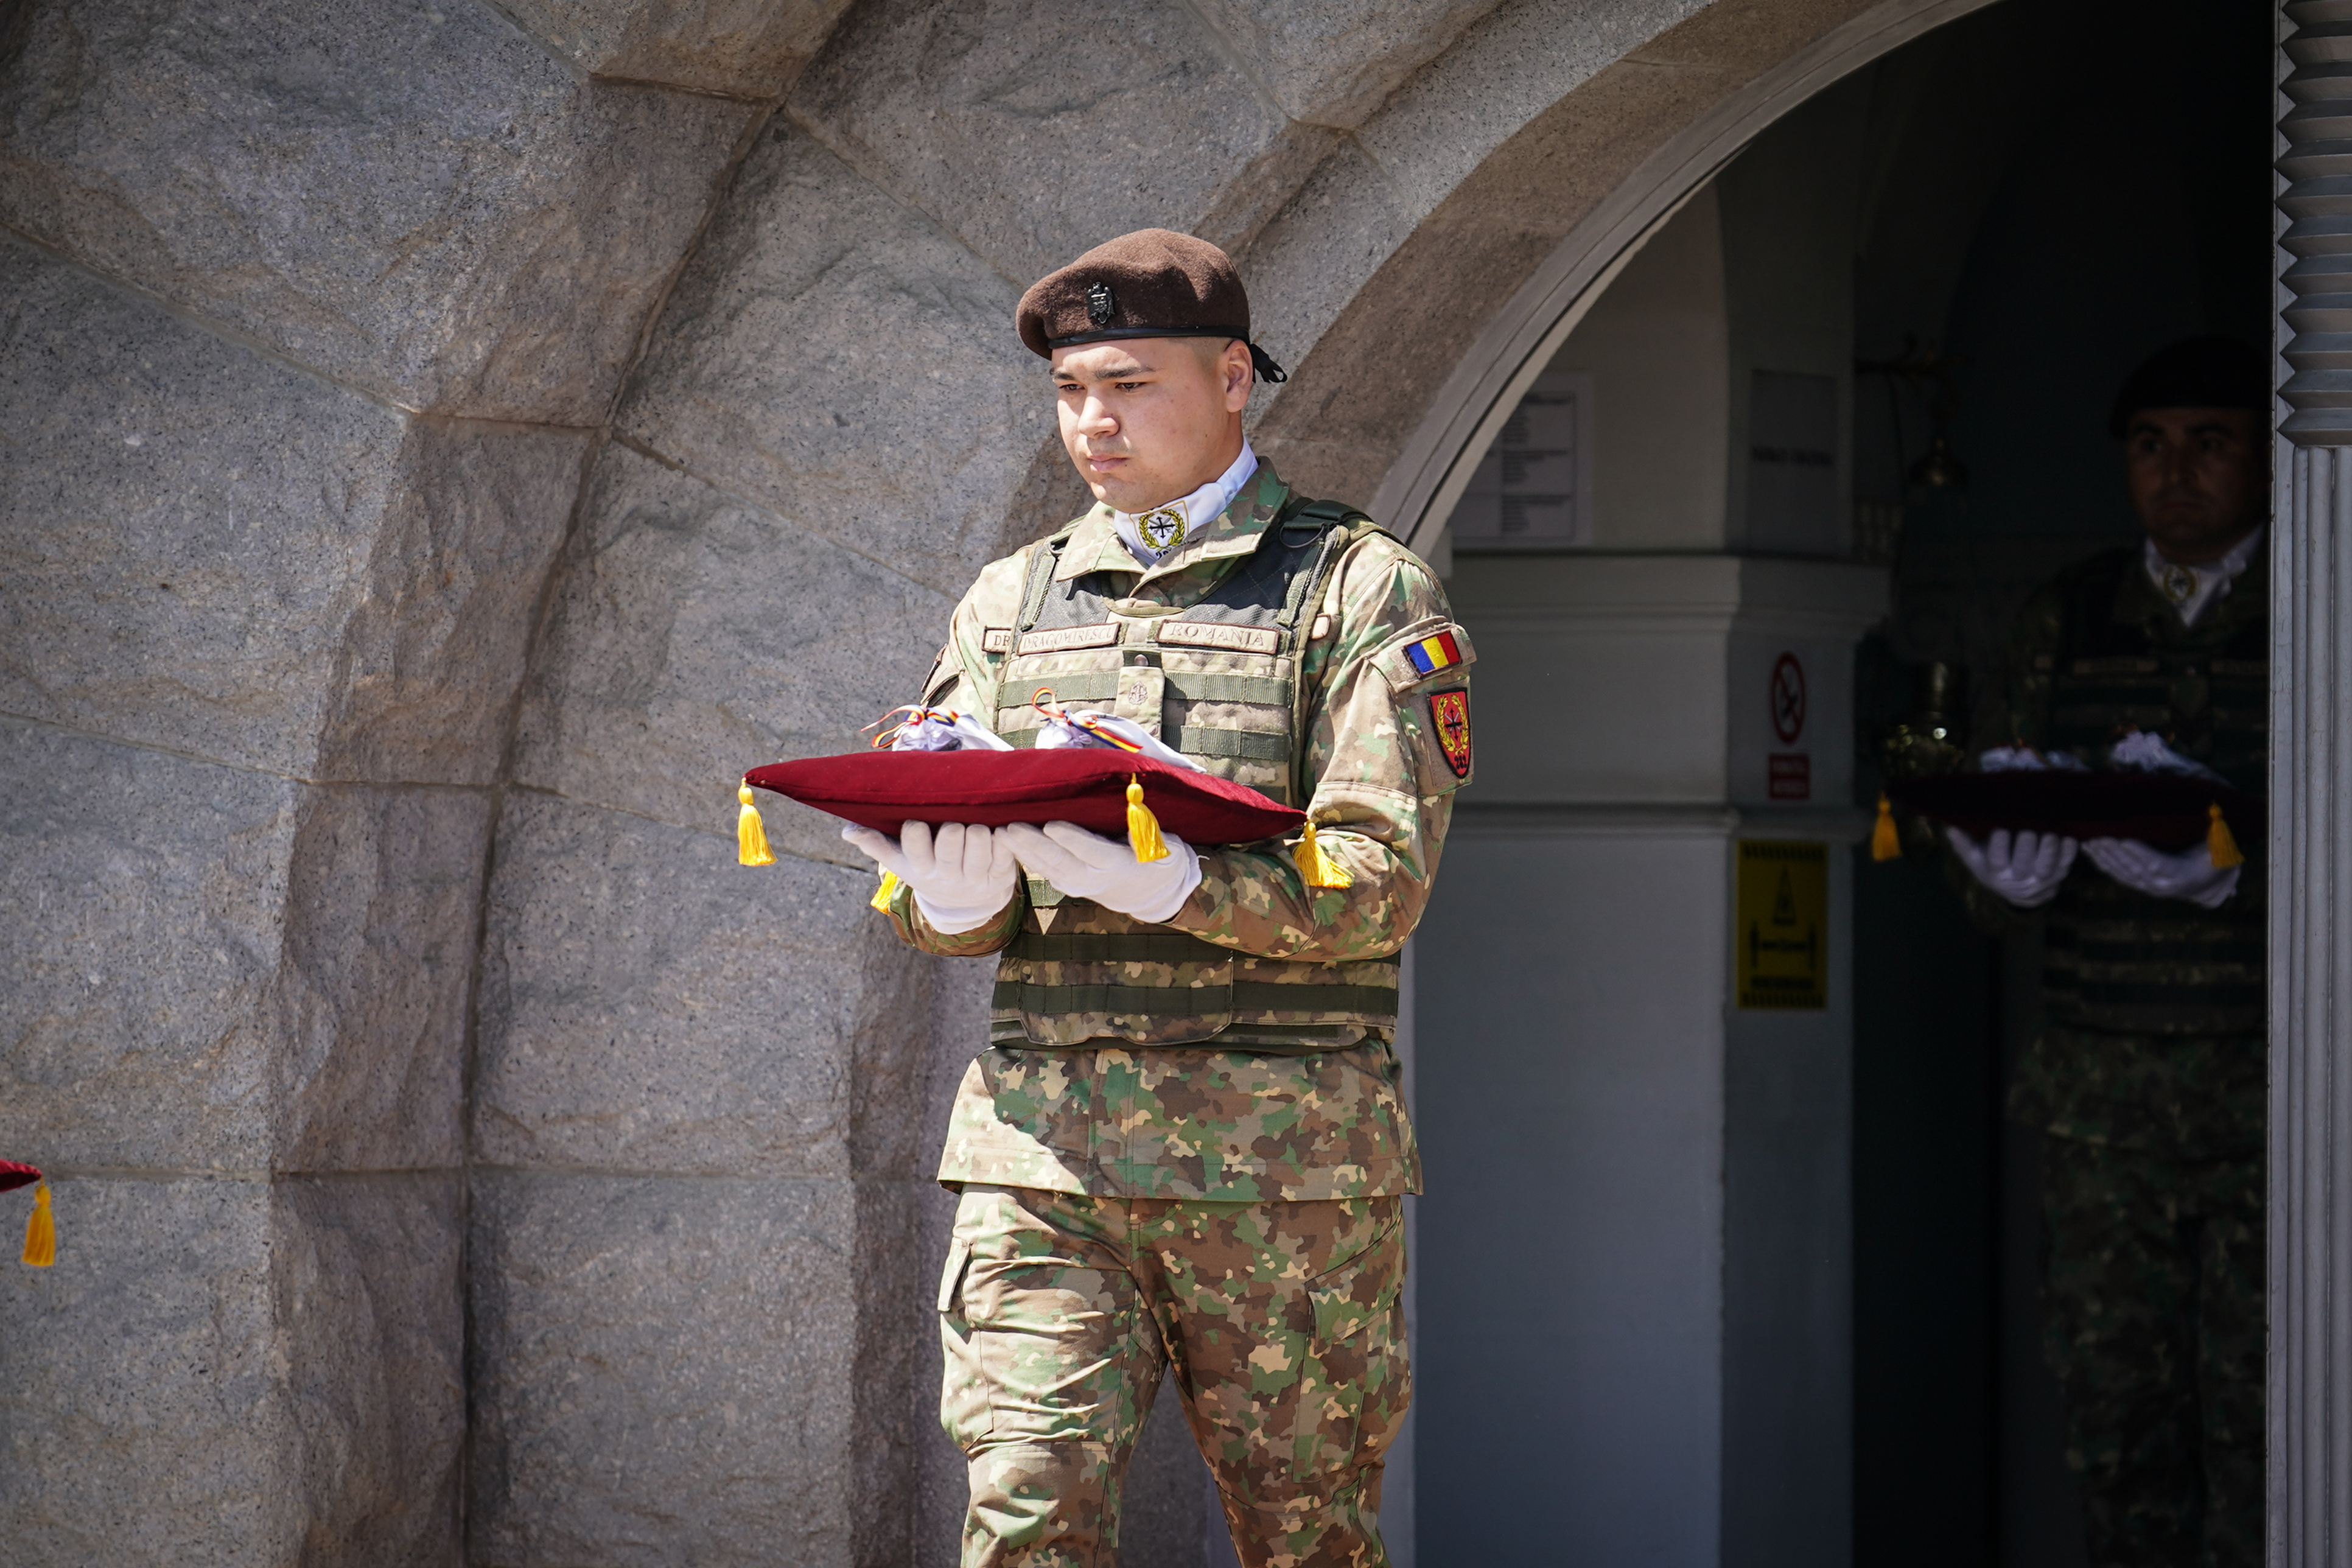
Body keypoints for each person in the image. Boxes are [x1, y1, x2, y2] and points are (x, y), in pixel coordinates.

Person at [839, 228, 1474, 1567]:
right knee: (1026, 1514)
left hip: (1281, 1173)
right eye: (1071, 391)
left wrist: (1182, 881)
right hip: (1045, 1161)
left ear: (1234, 377)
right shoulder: (1011, 601)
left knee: (1308, 1540)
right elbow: (942, 882)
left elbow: (1378, 879)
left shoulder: (1357, 589)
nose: (1093, 422)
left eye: (1128, 386)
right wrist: (944, 897)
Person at [1945, 337, 2269, 1567]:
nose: (2176, 472)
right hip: (2101, 1106)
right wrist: (2000, 880)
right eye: (2150, 445)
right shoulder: (2071, 617)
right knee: (2120, 1421)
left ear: (2266, 460)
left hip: (2272, 1104)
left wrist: (2241, 872)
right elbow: (1991, 826)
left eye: (2209, 442)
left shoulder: (2317, 593)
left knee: (2266, 1423)